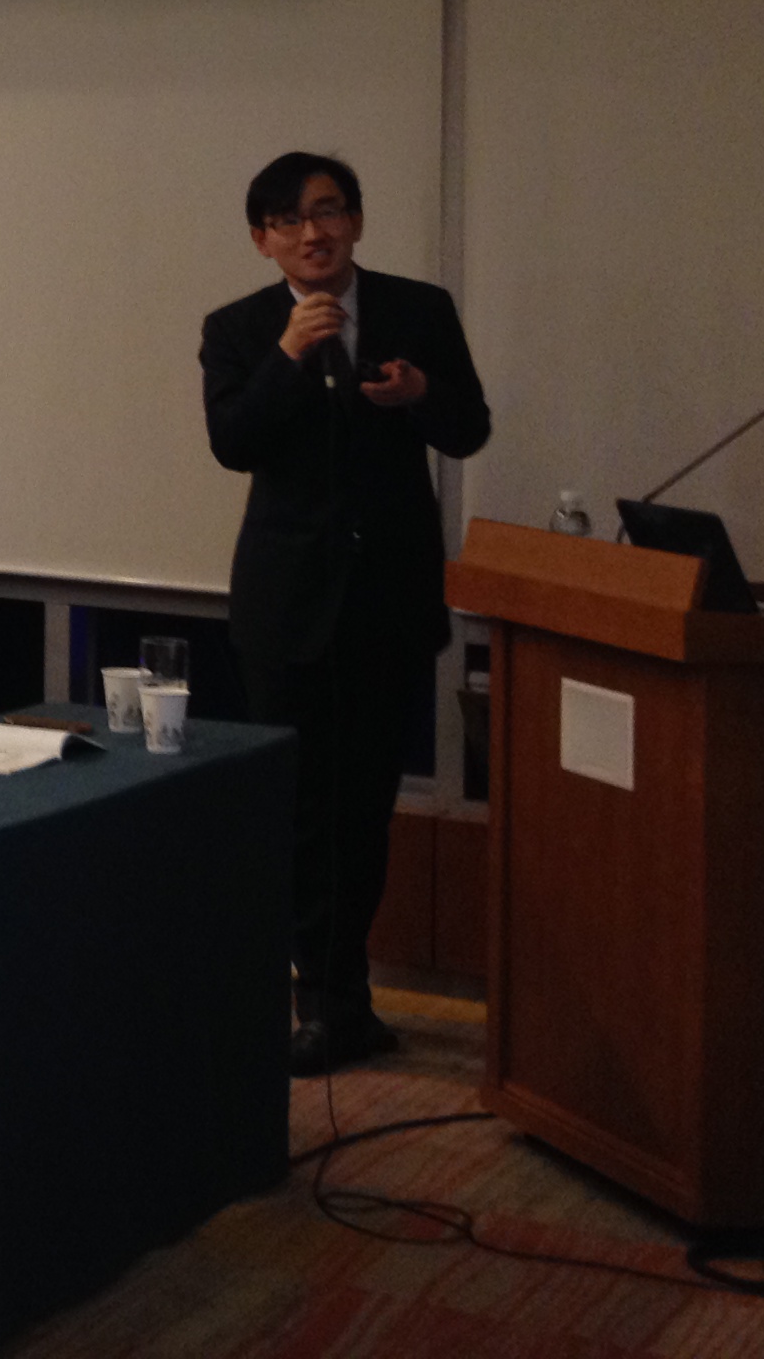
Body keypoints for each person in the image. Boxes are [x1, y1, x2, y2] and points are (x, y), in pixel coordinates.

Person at [202, 150, 491, 1078]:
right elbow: (233, 442)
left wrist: (421, 396)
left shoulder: (419, 310)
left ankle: (345, 999)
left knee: (364, 811)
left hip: (388, 601)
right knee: (300, 813)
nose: (312, 232)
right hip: (287, 606)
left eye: (327, 211)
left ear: (357, 222)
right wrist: (289, 357)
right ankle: (321, 1002)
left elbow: (471, 427)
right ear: (263, 241)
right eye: (288, 220)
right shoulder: (239, 329)